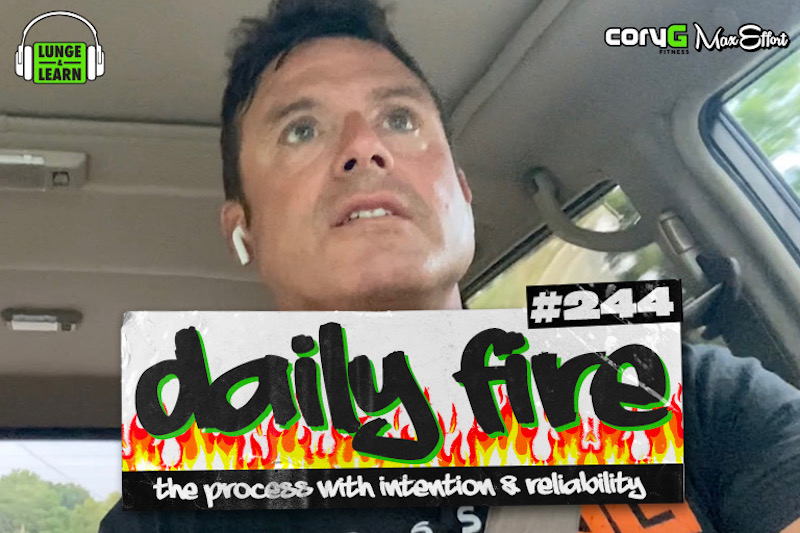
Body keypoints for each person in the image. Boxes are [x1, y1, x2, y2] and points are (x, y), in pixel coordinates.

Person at [101, 0, 800, 531]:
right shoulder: (170, 513)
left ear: (462, 193)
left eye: (400, 119)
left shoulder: (687, 395)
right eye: (302, 129)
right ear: (243, 229)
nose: (365, 147)